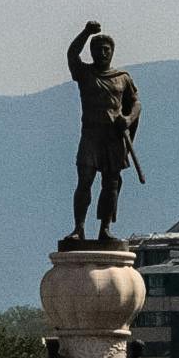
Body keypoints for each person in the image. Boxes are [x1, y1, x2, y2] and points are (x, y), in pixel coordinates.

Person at [68, 20, 142, 242]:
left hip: (113, 138)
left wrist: (128, 119)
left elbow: (136, 102)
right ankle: (78, 228)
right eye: (98, 49)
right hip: (91, 135)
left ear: (112, 52)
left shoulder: (122, 78)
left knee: (111, 184)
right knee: (85, 180)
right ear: (92, 52)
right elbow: (72, 54)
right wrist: (86, 32)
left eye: (106, 49)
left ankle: (105, 228)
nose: (102, 52)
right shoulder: (85, 74)